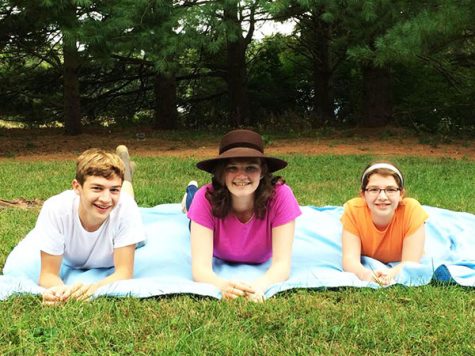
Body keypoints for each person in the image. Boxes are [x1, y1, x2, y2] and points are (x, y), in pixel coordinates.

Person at [185, 129, 302, 302]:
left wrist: (259, 286)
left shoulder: (281, 196)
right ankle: (190, 190)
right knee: (192, 202)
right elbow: (200, 269)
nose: (242, 176)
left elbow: (282, 265)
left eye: (250, 168)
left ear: (262, 172)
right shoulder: (205, 198)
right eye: (232, 168)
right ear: (222, 173)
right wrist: (222, 286)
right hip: (202, 206)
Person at [36, 146, 145, 305]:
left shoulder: (125, 208)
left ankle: (126, 172)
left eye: (114, 189)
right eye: (97, 188)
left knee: (128, 198)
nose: (106, 198)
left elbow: (124, 272)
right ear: (76, 187)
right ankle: (125, 170)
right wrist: (61, 292)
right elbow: (47, 275)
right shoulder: (55, 209)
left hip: (126, 207)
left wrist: (91, 290)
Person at [341, 162, 429, 285]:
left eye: (390, 189)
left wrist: (390, 274)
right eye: (374, 189)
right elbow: (350, 260)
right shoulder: (353, 211)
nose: (382, 196)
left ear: (401, 194)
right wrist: (366, 275)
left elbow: (410, 263)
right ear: (363, 195)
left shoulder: (412, 211)